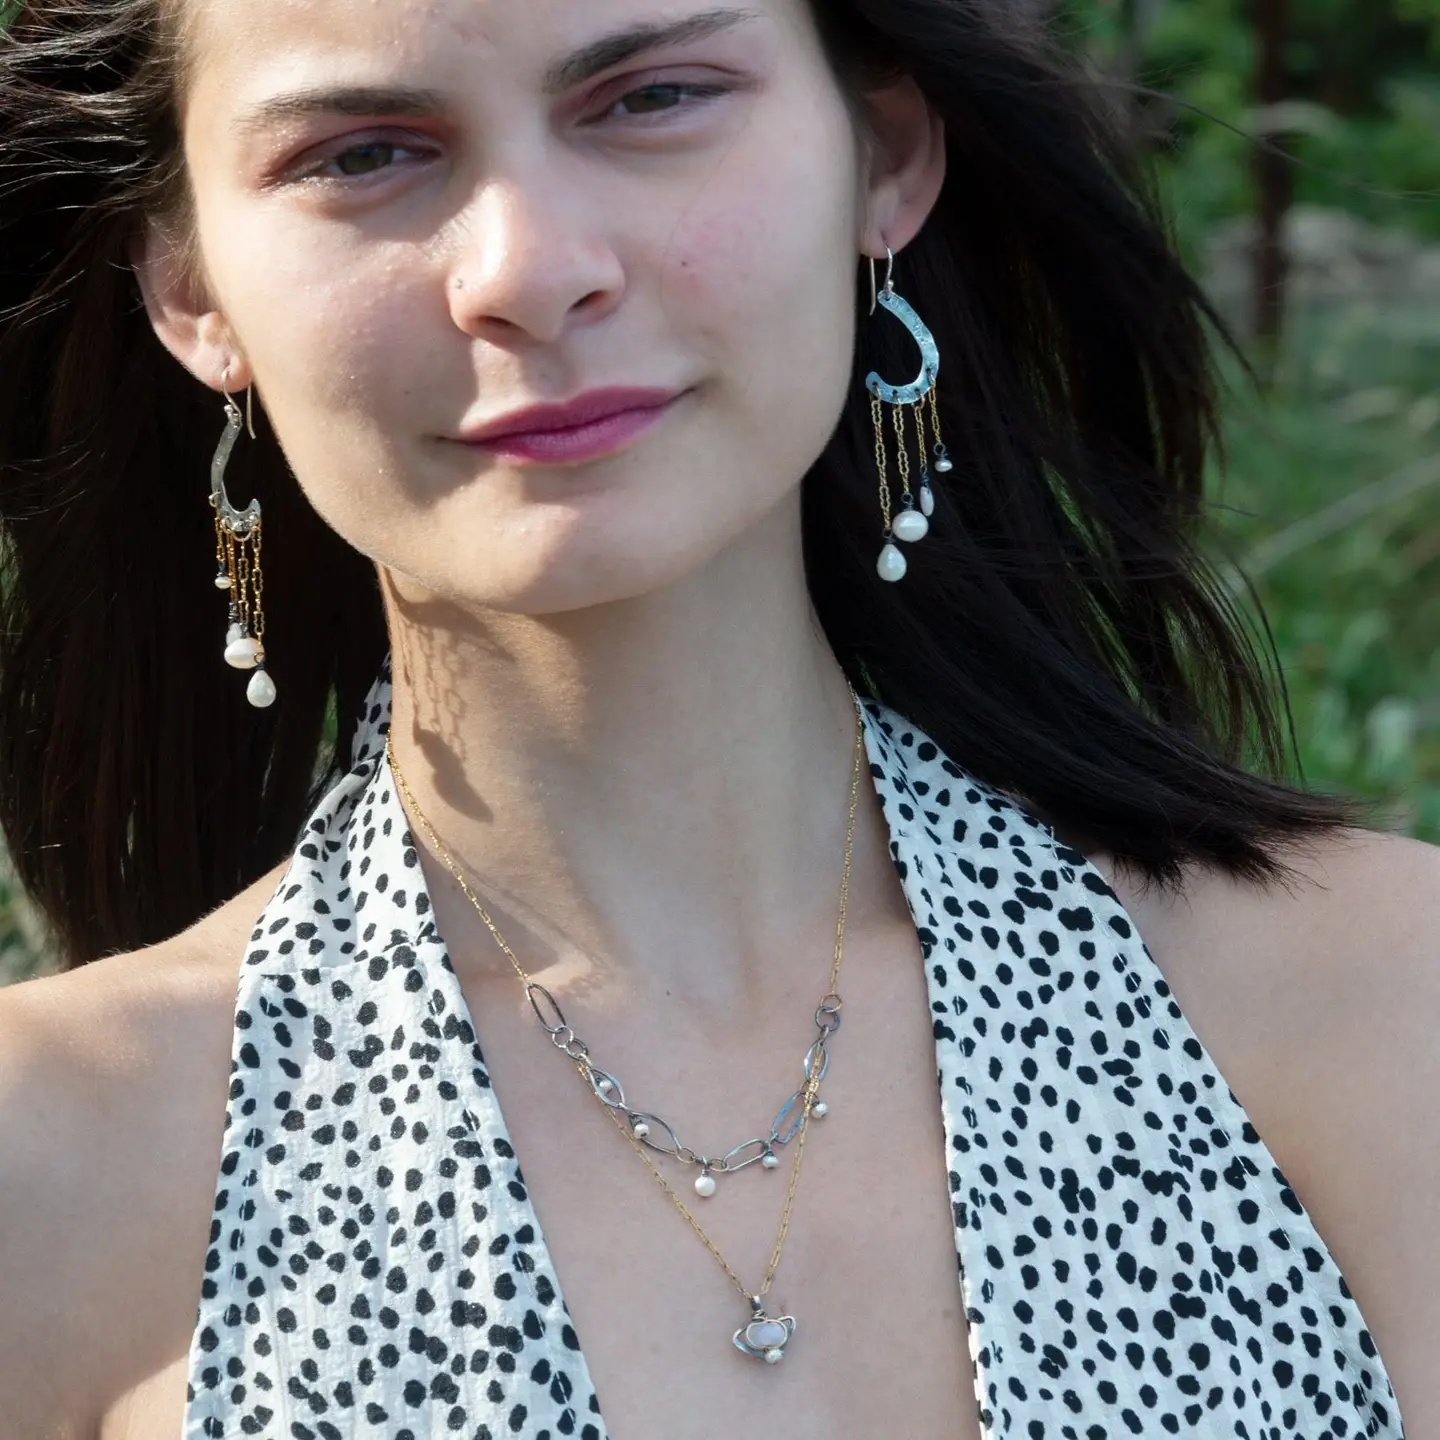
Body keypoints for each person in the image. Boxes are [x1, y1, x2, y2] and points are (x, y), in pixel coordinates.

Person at [0, 0, 1435, 1436]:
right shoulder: (52, 1159)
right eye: (363, 153)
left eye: (652, 99)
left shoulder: (1380, 1004)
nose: (531, 272)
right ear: (188, 284)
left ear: (884, 154)